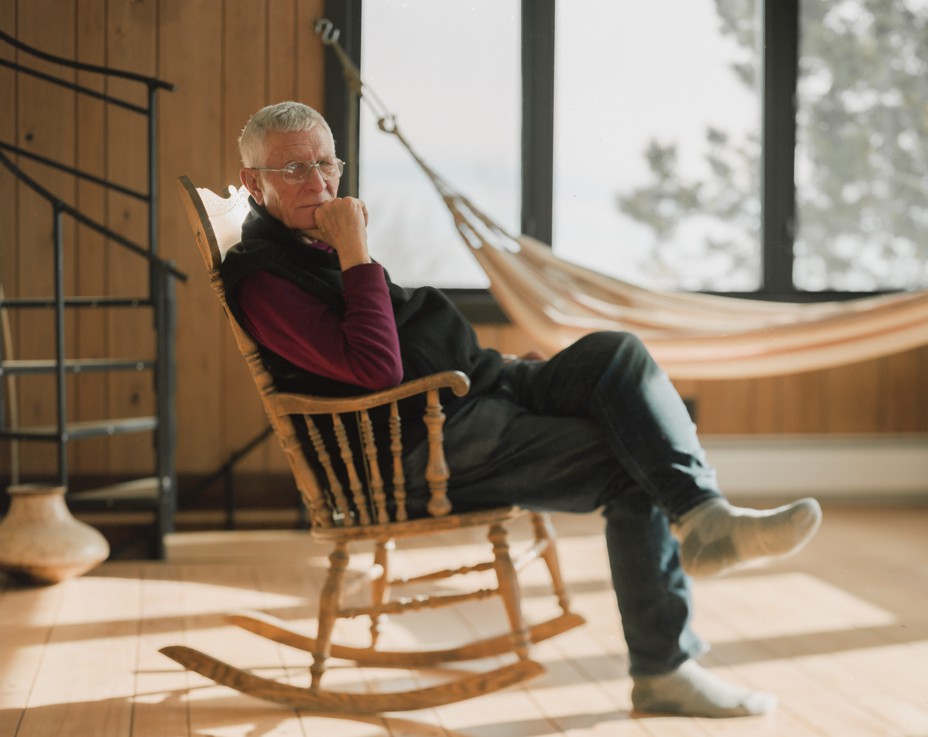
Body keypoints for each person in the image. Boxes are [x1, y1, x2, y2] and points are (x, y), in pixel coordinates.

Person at [221, 101, 823, 719]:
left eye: (326, 163)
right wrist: (356, 252)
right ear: (253, 183)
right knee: (631, 462)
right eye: (294, 169)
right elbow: (376, 370)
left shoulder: (309, 245)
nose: (319, 183)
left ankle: (704, 517)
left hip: (477, 388)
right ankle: (665, 666)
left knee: (617, 355)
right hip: (426, 443)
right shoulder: (266, 278)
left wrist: (504, 369)